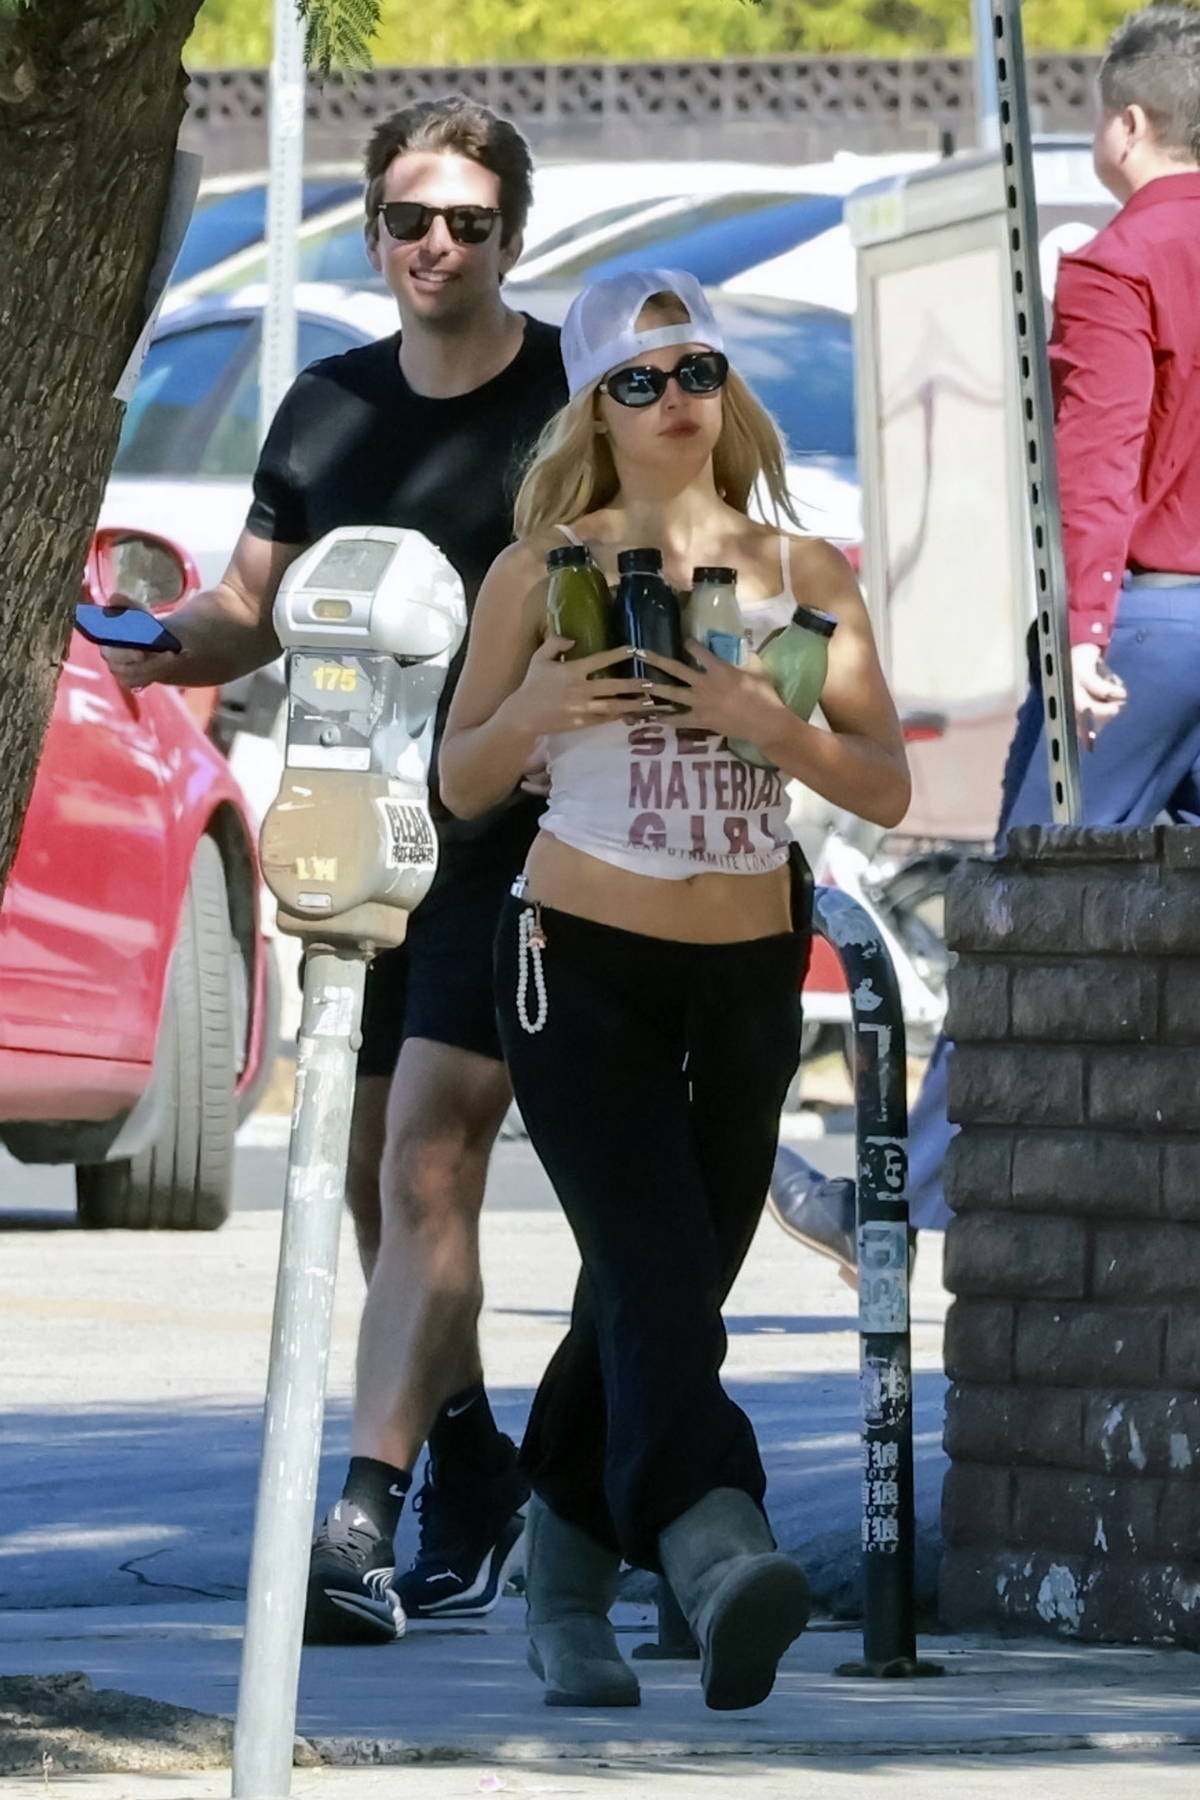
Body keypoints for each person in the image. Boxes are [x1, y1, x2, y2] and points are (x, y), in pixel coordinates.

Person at [100, 96, 567, 1644]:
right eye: (412, 220)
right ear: (372, 233)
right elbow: (249, 604)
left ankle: (359, 1519)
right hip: (363, 833)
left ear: (514, 234)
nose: (439, 245)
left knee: (430, 1143)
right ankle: (475, 1466)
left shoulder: (573, 398)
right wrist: (145, 652)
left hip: (526, 835)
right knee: (382, 1177)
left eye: (471, 222)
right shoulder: (322, 406)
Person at [439, 269, 909, 1710]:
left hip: (751, 968)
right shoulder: (541, 569)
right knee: (654, 1279)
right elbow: (459, 788)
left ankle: (565, 1587)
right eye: (638, 380)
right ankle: (716, 1548)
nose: (674, 400)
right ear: (594, 403)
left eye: (695, 368)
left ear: (727, 387)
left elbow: (887, 788)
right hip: (576, 964)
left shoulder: (804, 574)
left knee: (655, 1289)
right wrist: (532, 712)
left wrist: (770, 721)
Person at [773, 0, 1200, 1255]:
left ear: (1129, 123)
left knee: (1028, 919)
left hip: (1149, 631)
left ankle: (901, 1212)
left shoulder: (1124, 260)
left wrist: (1078, 631)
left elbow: (1099, 463)